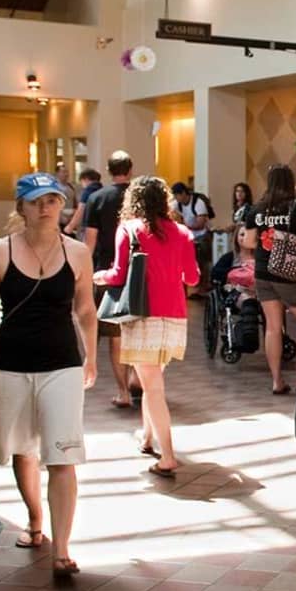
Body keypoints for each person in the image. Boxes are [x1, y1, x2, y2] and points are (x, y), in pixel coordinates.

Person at [0, 173, 98, 578]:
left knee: (63, 455)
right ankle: (35, 519)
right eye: (36, 200)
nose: (46, 208)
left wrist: (90, 358)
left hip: (62, 362)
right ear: (20, 207)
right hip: (11, 363)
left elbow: (86, 311)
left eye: (54, 200)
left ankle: (62, 551)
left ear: (62, 206)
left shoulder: (77, 253)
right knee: (23, 450)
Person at [94, 177, 199, 477]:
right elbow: (192, 278)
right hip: (175, 317)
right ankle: (148, 436)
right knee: (152, 380)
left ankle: (167, 456)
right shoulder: (182, 232)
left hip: (143, 315)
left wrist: (98, 276)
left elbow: (117, 275)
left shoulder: (128, 230)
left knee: (152, 387)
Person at [245, 165, 296, 394]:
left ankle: (277, 381)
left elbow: (249, 242)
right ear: (290, 182)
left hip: (262, 272)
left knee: (273, 328)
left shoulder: (256, 209)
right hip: (287, 273)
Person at [84, 151, 135, 409]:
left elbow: (89, 242)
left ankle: (123, 391)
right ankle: (138, 377)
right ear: (131, 169)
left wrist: (85, 274)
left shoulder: (96, 198)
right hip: (139, 272)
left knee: (115, 336)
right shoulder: (139, 197)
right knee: (137, 329)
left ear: (108, 169)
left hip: (107, 274)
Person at [172, 181, 212, 295]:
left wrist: (184, 227)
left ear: (184, 193)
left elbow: (201, 223)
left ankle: (202, 287)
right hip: (188, 236)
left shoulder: (198, 203)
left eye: (177, 195)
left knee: (202, 261)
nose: (176, 198)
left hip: (201, 235)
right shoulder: (176, 204)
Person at [63, 168, 102, 240]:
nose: (82, 185)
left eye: (82, 182)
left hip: (88, 229)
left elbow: (81, 210)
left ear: (86, 179)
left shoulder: (88, 191)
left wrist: (69, 227)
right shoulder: (102, 190)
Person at [54, 165, 78, 229]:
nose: (66, 174)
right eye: (63, 172)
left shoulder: (71, 187)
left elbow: (75, 203)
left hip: (70, 217)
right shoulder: (54, 187)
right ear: (57, 173)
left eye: (67, 172)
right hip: (58, 219)